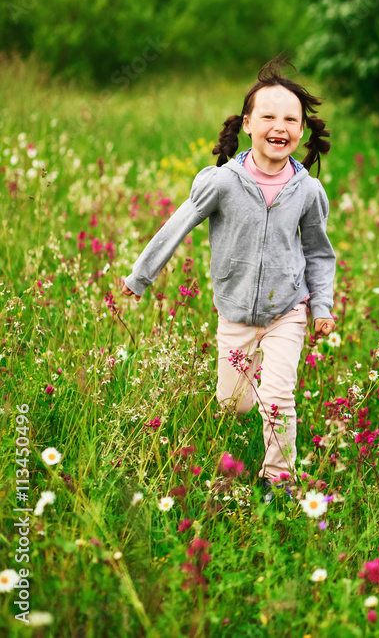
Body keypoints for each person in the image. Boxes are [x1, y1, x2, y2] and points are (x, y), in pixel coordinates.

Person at [121, 58, 337, 500]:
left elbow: (318, 250)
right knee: (232, 404)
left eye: (290, 119)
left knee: (277, 399)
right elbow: (177, 225)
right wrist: (140, 276)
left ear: (301, 129)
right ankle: (252, 405)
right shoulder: (221, 182)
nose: (280, 126)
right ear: (247, 123)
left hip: (287, 310)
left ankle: (278, 479)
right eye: (269, 116)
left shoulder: (308, 190)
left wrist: (321, 306)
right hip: (235, 312)